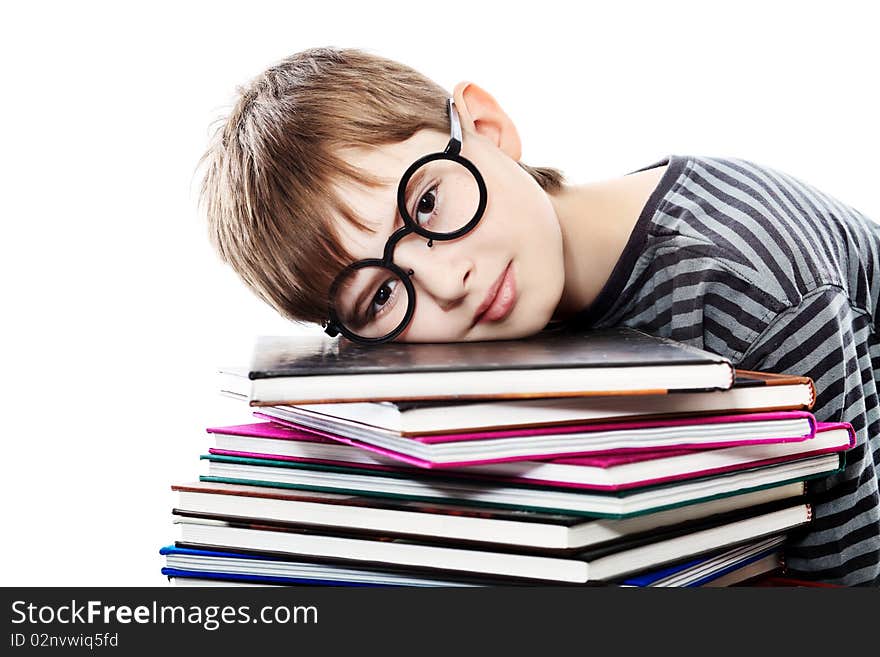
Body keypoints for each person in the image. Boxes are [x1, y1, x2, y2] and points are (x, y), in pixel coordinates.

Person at [198, 47, 880, 585]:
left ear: (488, 129)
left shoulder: (748, 283)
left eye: (428, 203)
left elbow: (844, 581)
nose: (447, 279)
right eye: (379, 295)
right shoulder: (499, 317)